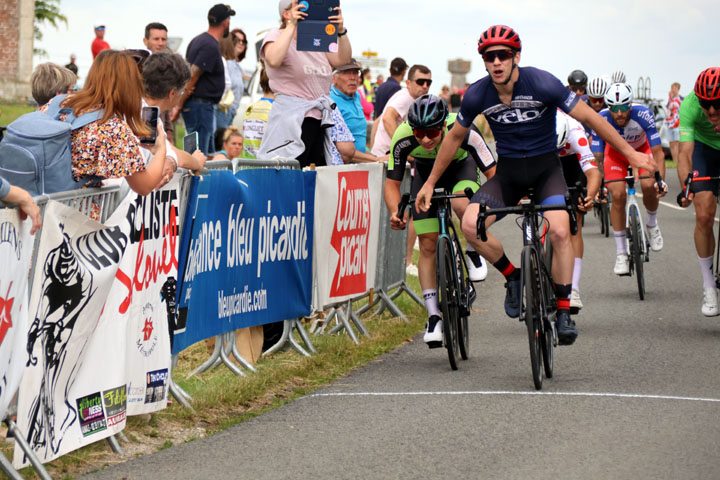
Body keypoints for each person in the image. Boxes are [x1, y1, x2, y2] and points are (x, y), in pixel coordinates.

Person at [415, 25, 657, 346]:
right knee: (471, 225)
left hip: (546, 172)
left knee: (559, 231)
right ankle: (513, 276)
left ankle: (563, 308)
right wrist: (430, 182)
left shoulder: (542, 82)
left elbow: (592, 118)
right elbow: (455, 137)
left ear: (517, 56)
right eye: (490, 57)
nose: (497, 62)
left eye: (503, 55)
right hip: (509, 176)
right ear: (484, 62)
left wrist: (631, 154)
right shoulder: (477, 93)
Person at [385, 95, 496, 345]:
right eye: (419, 132)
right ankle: (434, 315)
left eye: (432, 132)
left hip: (461, 168)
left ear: (443, 125)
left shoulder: (462, 127)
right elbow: (392, 183)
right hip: (424, 175)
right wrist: (395, 211)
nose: (425, 139)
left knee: (460, 204)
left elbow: (493, 173)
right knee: (426, 244)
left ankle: (471, 249)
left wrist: (486, 214)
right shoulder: (402, 137)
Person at [41, 49, 167, 196]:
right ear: (128, 85)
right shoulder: (112, 128)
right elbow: (144, 186)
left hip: (38, 206)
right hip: (74, 215)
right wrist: (161, 150)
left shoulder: (58, 103)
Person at [257, 0, 351, 167]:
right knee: (290, 171)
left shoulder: (316, 39)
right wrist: (292, 24)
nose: (306, 11)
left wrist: (341, 31)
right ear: (286, 13)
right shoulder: (276, 35)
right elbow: (273, 59)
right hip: (292, 118)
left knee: (313, 175)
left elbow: (342, 60)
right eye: (300, 7)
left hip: (319, 118)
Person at [591, 83, 667, 276]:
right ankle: (621, 253)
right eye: (614, 109)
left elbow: (657, 152)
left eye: (624, 107)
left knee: (649, 184)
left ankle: (652, 223)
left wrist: (661, 180)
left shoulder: (643, 115)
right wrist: (600, 186)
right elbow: (597, 158)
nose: (619, 114)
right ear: (609, 107)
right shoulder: (601, 119)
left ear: (630, 106)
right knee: (617, 194)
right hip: (615, 156)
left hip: (642, 151)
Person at [677, 68, 720, 316]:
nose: (712, 111)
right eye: (707, 104)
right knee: (704, 214)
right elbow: (684, 153)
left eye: (717, 104)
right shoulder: (690, 106)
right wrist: (686, 187)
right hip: (704, 150)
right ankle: (709, 286)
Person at [171, 4, 236, 155]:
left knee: (205, 154)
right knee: (198, 155)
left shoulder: (198, 40)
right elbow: (193, 75)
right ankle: (196, 180)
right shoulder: (210, 45)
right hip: (200, 107)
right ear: (225, 22)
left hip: (199, 107)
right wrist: (178, 106)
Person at [556, 111, 602, 311]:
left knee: (575, 223)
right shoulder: (534, 128)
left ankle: (573, 287)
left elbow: (593, 172)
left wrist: (590, 196)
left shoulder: (575, 131)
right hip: (542, 158)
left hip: (572, 161)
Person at [140, 52, 207, 183]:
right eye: (182, 91)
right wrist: (197, 162)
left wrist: (171, 160)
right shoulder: (147, 115)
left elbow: (171, 152)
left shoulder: (147, 110)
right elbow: (176, 155)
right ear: (172, 93)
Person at [371, 64, 432, 156]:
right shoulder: (406, 98)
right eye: (420, 82)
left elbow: (377, 121)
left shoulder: (407, 97)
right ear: (408, 83)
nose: (425, 86)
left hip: (383, 155)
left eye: (428, 82)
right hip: (389, 157)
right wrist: (403, 148)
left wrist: (374, 152)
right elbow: (387, 118)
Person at [142, 22, 175, 142]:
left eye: (163, 39)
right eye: (156, 39)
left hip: (162, 126)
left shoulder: (168, 67)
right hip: (144, 126)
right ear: (145, 41)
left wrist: (168, 129)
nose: (160, 43)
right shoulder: (140, 66)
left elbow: (167, 102)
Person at [330, 58, 369, 154]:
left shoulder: (357, 96)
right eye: (346, 72)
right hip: (341, 165)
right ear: (334, 78)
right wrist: (376, 159)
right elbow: (342, 151)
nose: (352, 77)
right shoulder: (330, 100)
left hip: (360, 163)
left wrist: (376, 158)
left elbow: (359, 141)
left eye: (355, 73)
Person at [216, 34, 245, 129]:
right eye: (237, 40)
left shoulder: (238, 67)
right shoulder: (225, 63)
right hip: (223, 110)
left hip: (231, 111)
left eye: (243, 41)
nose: (240, 43)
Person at [666, 82, 683, 163]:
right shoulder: (670, 99)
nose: (673, 90)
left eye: (674, 88)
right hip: (670, 124)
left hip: (677, 123)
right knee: (671, 143)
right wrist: (669, 97)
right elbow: (668, 109)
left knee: (677, 143)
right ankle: (674, 160)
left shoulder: (680, 99)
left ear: (678, 89)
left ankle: (679, 160)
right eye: (672, 88)